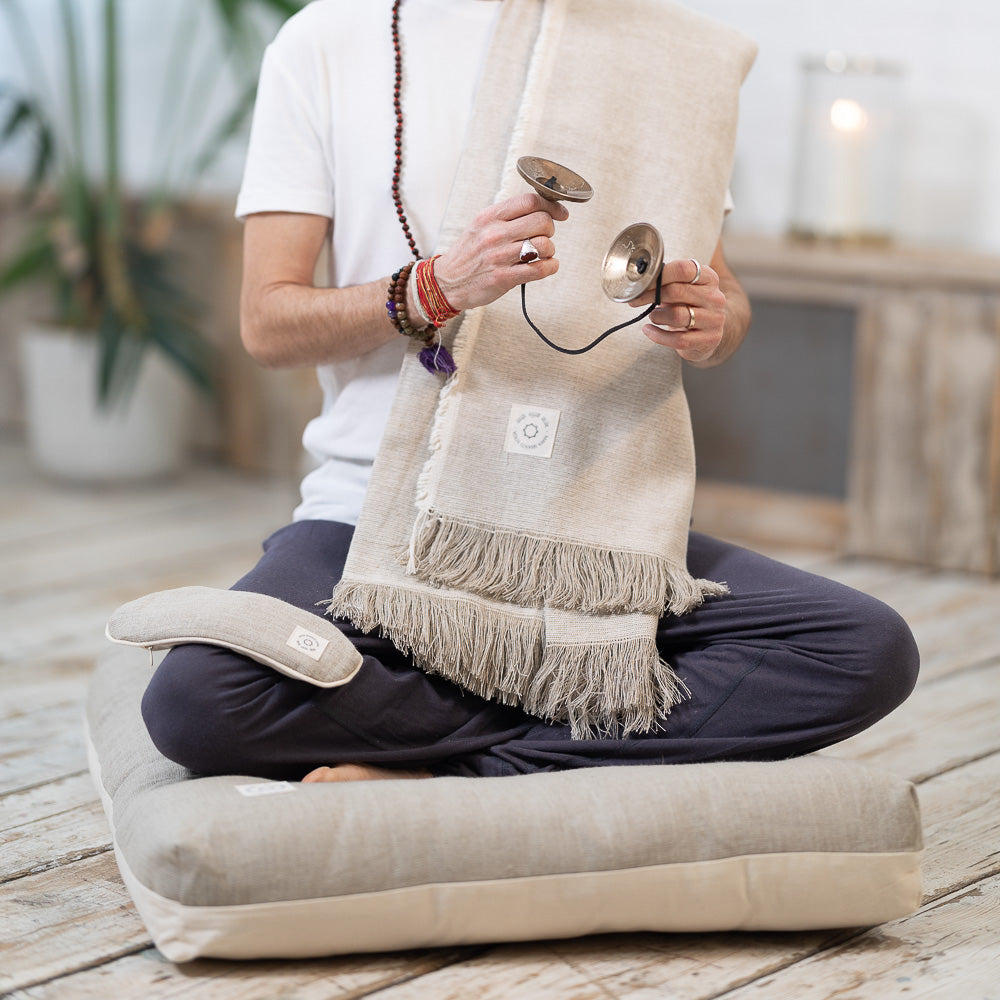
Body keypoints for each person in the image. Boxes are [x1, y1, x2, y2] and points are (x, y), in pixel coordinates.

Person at [140, 0, 919, 783]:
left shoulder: (663, 55)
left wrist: (713, 320)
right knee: (199, 701)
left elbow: (730, 299)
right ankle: (571, 714)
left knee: (862, 649)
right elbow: (269, 322)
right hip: (370, 514)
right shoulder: (327, 40)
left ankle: (457, 770)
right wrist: (436, 288)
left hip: (597, 522)